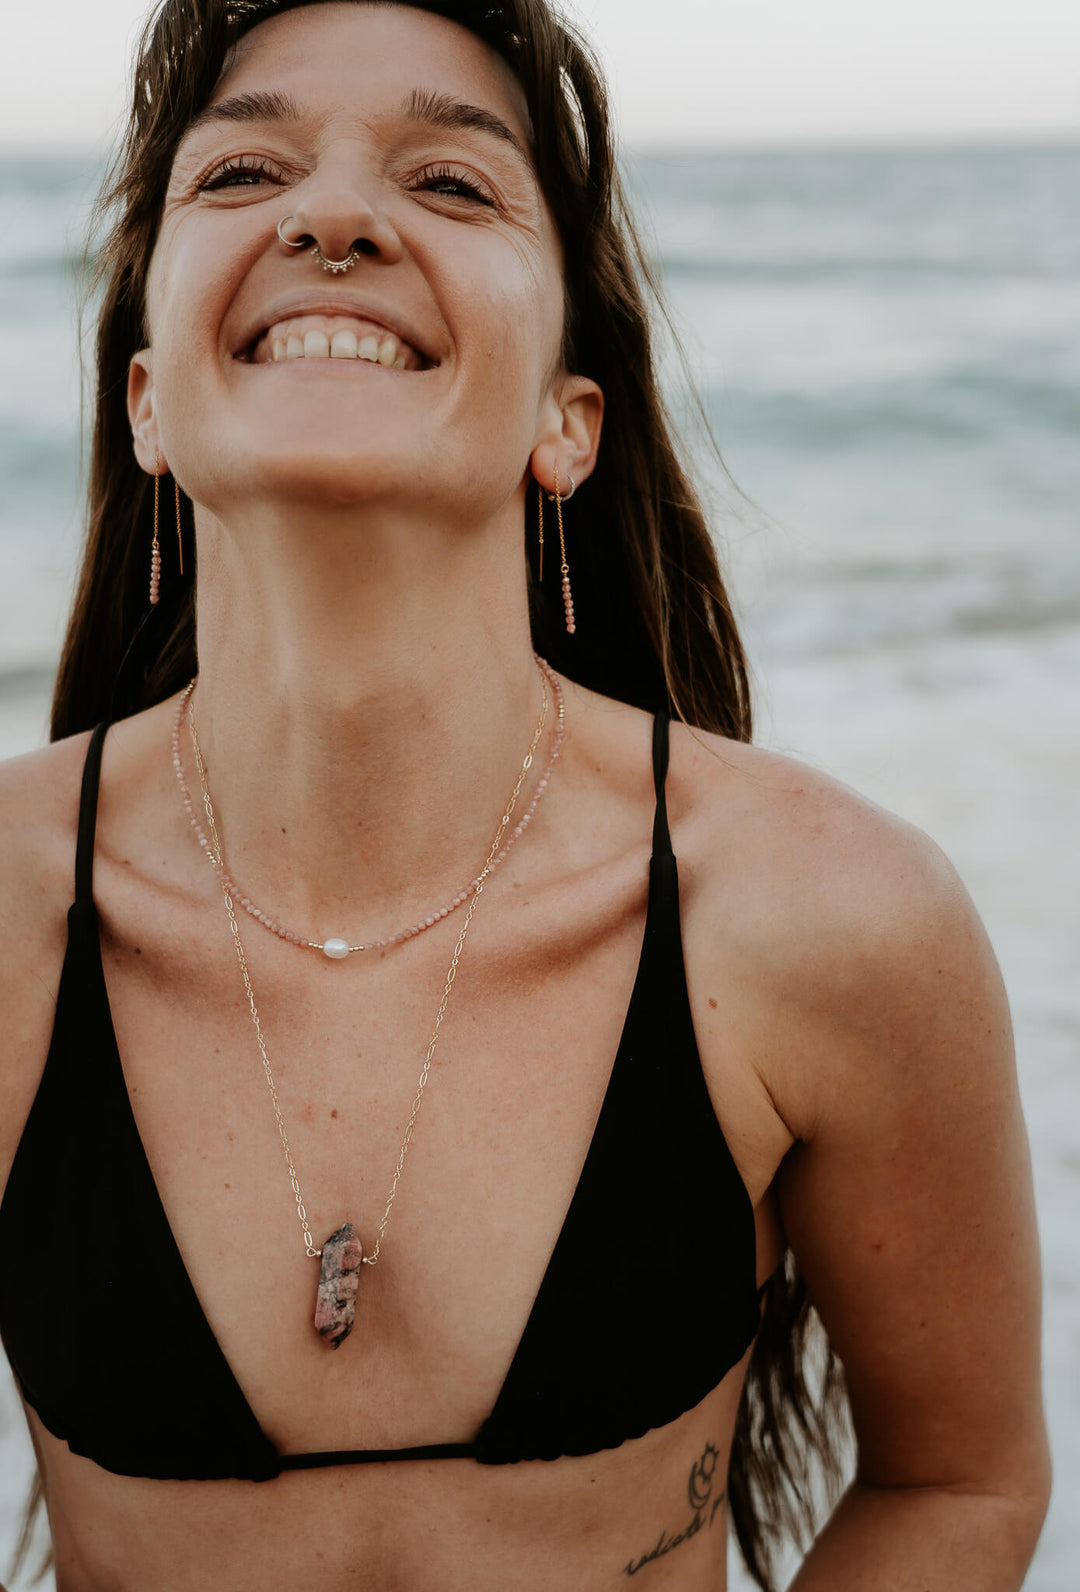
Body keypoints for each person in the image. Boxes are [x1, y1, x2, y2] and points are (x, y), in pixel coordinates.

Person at [0, 1, 1050, 1587]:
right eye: (241, 172)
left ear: (569, 421)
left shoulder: (828, 923)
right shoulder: (8, 924)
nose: (333, 213)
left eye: (452, 182)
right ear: (147, 399)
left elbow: (962, 1482)